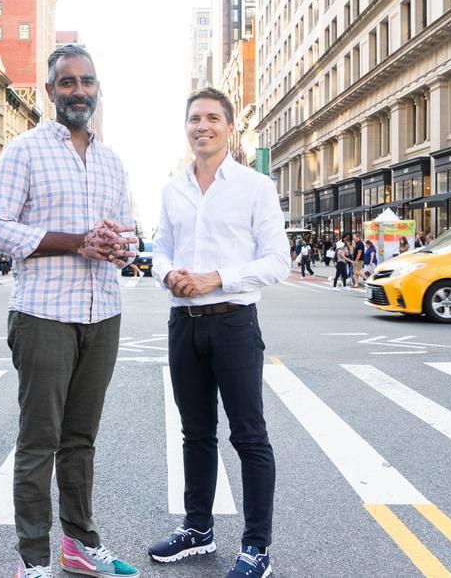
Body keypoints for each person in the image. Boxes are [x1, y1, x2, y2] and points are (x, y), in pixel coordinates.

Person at [0, 44, 139, 578]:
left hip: (103, 313)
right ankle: (33, 559)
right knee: (39, 441)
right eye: (67, 83)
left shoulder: (113, 160)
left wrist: (123, 247)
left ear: (97, 89)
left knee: (81, 440)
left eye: (87, 82)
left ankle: (79, 543)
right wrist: (76, 242)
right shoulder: (23, 151)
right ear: (50, 91)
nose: (79, 91)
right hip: (44, 313)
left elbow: (128, 234)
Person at [149, 87, 286, 578]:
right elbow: (159, 249)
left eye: (211, 118)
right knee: (195, 432)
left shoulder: (254, 186)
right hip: (184, 324)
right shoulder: (172, 189)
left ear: (229, 128)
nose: (201, 126)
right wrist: (168, 274)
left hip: (233, 322)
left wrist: (216, 278)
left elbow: (277, 261)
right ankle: (198, 528)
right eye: (193, 119)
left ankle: (256, 547)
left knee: (249, 436)